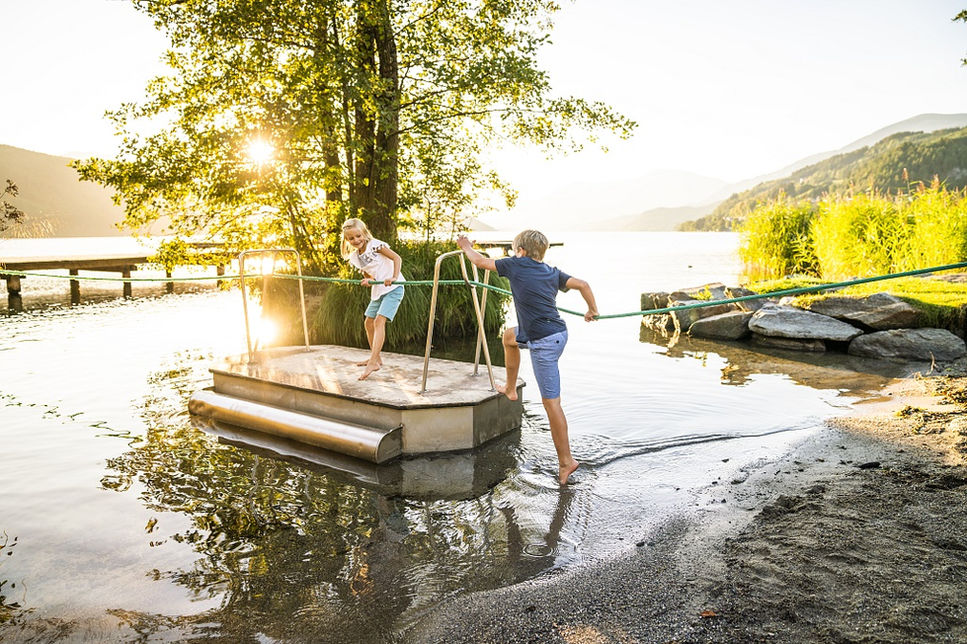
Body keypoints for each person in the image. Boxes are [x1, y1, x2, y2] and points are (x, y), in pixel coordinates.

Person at [457, 230, 598, 485]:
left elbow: (479, 262)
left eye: (513, 250)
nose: (512, 254)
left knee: (551, 403)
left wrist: (466, 246)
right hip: (556, 333)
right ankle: (510, 389)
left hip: (544, 342)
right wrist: (592, 309)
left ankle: (567, 462)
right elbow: (583, 285)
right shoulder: (551, 272)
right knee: (509, 337)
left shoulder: (516, 264)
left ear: (520, 251)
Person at [341, 218, 405, 380]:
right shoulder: (356, 256)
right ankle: (376, 359)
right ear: (346, 240)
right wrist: (368, 279)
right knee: (368, 322)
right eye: (351, 238)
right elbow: (368, 272)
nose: (356, 240)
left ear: (364, 233)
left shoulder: (375, 245)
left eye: (358, 236)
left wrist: (394, 276)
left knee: (378, 321)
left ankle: (372, 362)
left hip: (394, 288)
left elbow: (397, 258)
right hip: (378, 290)